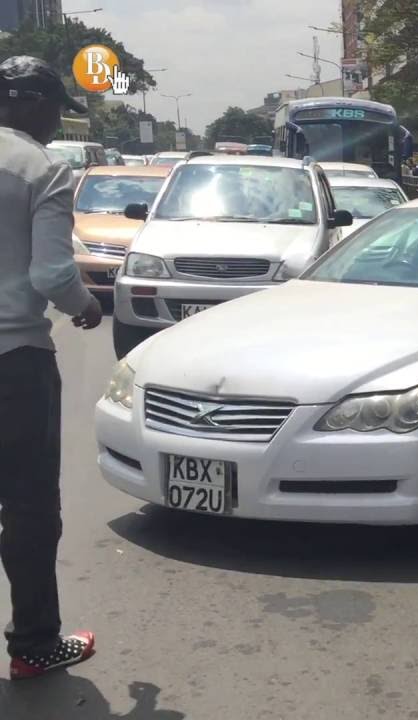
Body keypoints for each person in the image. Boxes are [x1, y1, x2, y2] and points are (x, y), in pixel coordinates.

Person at [0, 55, 100, 679]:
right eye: (55, 108)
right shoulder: (42, 167)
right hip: (16, 363)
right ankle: (35, 646)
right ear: (35, 104)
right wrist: (87, 306)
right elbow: (52, 274)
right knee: (30, 508)